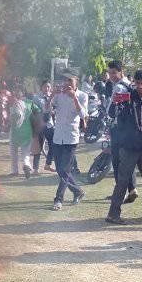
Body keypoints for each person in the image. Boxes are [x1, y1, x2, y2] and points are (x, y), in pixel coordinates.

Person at [105, 70, 142, 224]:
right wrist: (116, 102)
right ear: (134, 83)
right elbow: (111, 113)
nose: (140, 86)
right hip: (128, 146)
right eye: (137, 83)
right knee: (123, 181)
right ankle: (112, 214)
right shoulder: (127, 97)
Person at [49, 75, 89, 211]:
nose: (67, 85)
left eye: (70, 82)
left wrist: (74, 98)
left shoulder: (83, 95)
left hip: (71, 138)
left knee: (64, 170)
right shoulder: (59, 96)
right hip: (57, 137)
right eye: (66, 82)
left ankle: (58, 199)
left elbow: (83, 115)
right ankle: (78, 191)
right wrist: (51, 96)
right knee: (61, 170)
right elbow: (46, 110)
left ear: (76, 83)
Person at [106, 61, 138, 203]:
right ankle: (132, 189)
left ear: (121, 72)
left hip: (118, 129)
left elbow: (112, 111)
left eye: (114, 72)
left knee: (117, 161)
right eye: (110, 72)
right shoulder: (130, 85)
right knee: (127, 160)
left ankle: (121, 192)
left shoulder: (119, 87)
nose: (111, 75)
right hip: (129, 129)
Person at [8, 86, 37, 179]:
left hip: (15, 131)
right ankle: (26, 164)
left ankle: (14, 170)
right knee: (25, 152)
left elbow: (14, 116)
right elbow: (37, 112)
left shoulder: (14, 103)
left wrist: (8, 124)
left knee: (14, 152)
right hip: (27, 131)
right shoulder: (29, 103)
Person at [32, 80, 54, 173]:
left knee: (53, 145)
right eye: (45, 86)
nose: (47, 88)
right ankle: (35, 169)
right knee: (38, 147)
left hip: (50, 125)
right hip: (40, 125)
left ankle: (47, 164)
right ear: (41, 87)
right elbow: (33, 110)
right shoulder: (36, 98)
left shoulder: (53, 97)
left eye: (49, 87)